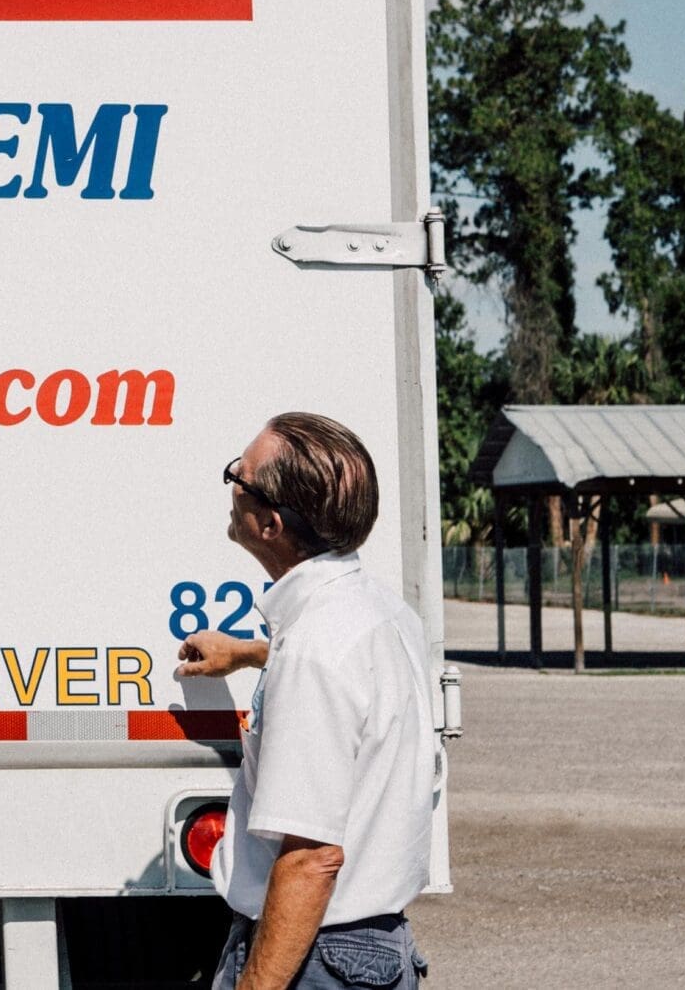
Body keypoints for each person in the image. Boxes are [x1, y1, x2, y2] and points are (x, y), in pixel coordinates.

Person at [175, 412, 436, 990]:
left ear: (269, 523)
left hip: (318, 956)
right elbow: (348, 690)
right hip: (368, 948)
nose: (232, 488)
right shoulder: (378, 614)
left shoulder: (315, 649)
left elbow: (311, 857)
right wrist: (248, 654)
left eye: (236, 477)